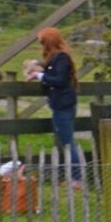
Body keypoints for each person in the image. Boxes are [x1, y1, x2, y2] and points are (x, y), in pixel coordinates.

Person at [31, 28, 82, 189]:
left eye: (42, 42)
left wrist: (39, 76)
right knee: (66, 140)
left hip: (63, 105)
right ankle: (74, 177)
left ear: (48, 42)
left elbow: (60, 80)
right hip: (61, 104)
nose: (41, 46)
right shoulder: (57, 58)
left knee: (68, 142)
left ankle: (77, 179)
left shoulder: (61, 58)